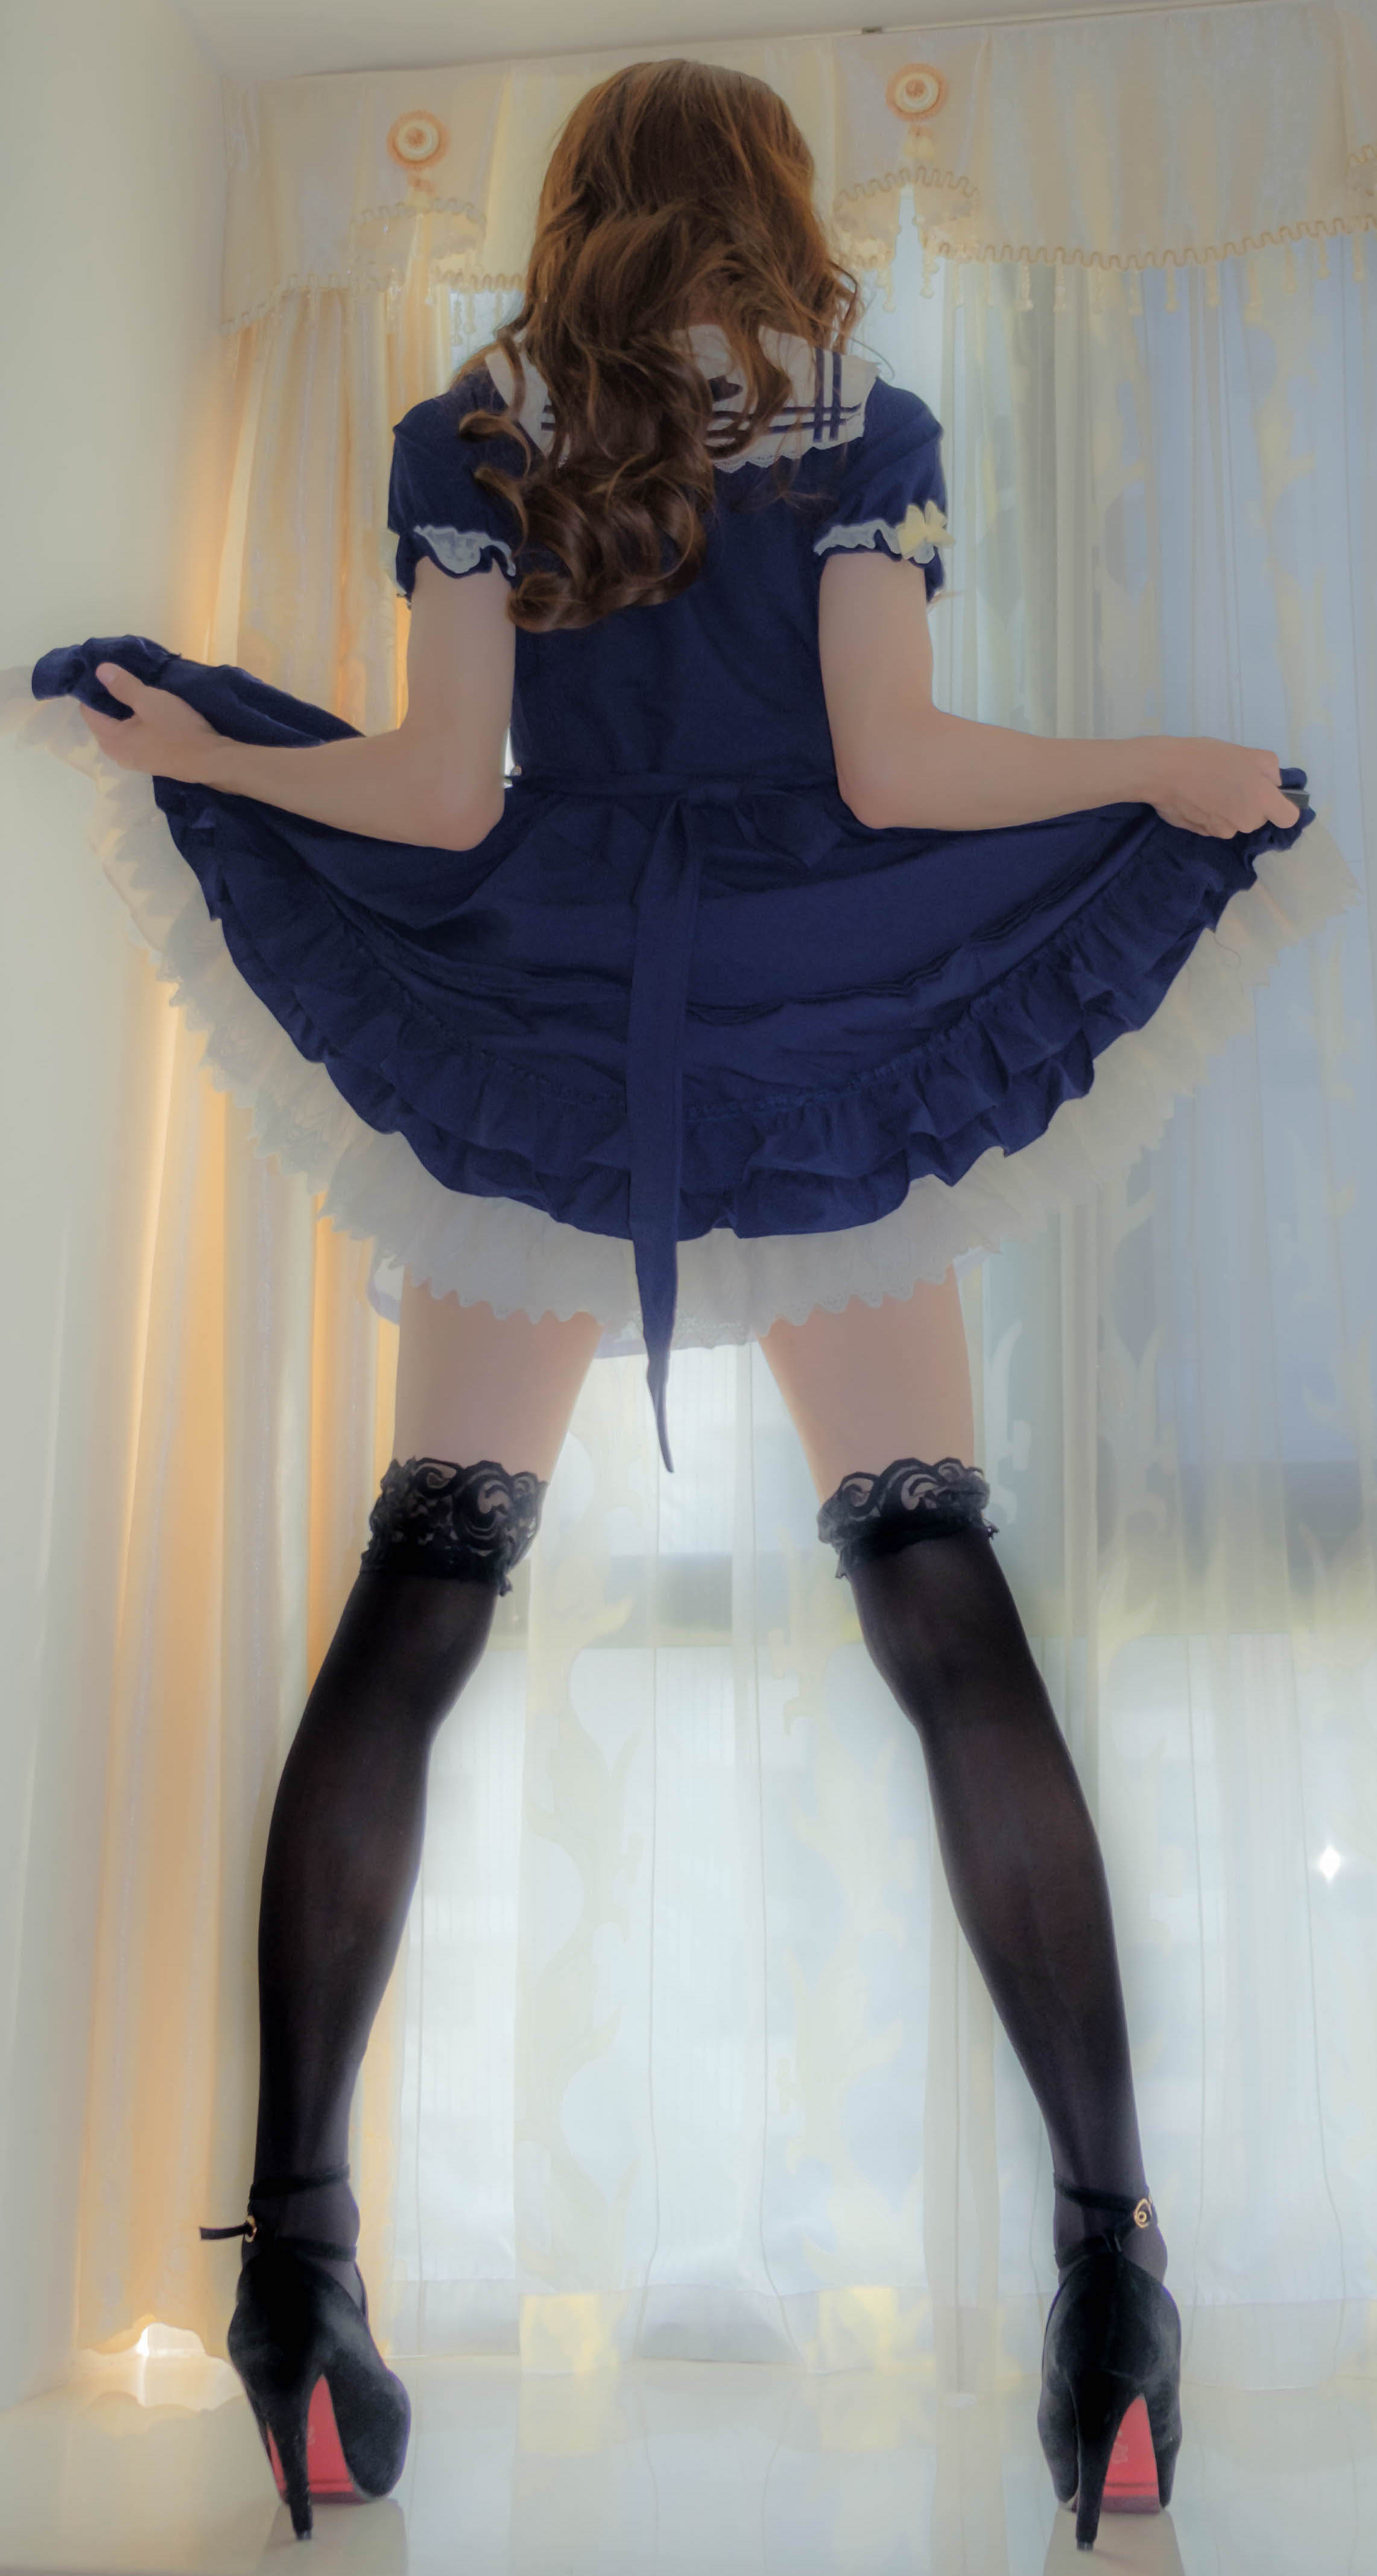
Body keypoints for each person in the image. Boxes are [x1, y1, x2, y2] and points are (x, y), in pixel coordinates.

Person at [8, 49, 1346, 2557]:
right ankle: (1110, 2279)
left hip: (545, 1026)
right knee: (935, 1596)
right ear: (772, 202)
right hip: (809, 1024)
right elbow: (898, 771)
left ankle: (294, 2270)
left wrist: (216, 753)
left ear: (579, 207)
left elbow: (435, 798)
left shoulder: (476, 427)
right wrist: (1160, 763)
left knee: (420, 1594)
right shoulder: (858, 419)